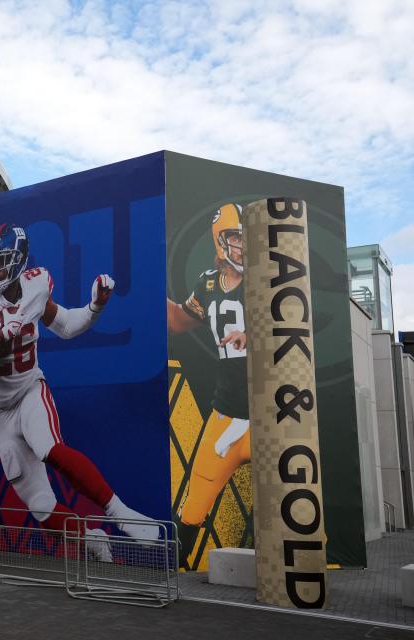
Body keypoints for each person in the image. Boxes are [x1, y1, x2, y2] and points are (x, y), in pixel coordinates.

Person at [0, 223, 159, 557]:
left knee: (48, 446)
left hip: (29, 390)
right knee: (40, 505)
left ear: (20, 260)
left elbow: (67, 326)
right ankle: (90, 537)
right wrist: (3, 334)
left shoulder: (36, 284)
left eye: (3, 261)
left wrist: (95, 307)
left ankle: (120, 512)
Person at [167, 203, 250, 567]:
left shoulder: (272, 280)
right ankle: (172, 580)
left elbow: (296, 329)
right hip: (226, 414)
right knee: (192, 507)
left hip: (276, 413)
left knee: (293, 502)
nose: (243, 245)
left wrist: (254, 333)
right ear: (221, 241)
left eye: (249, 238)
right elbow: (181, 321)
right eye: (236, 237)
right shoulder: (209, 282)